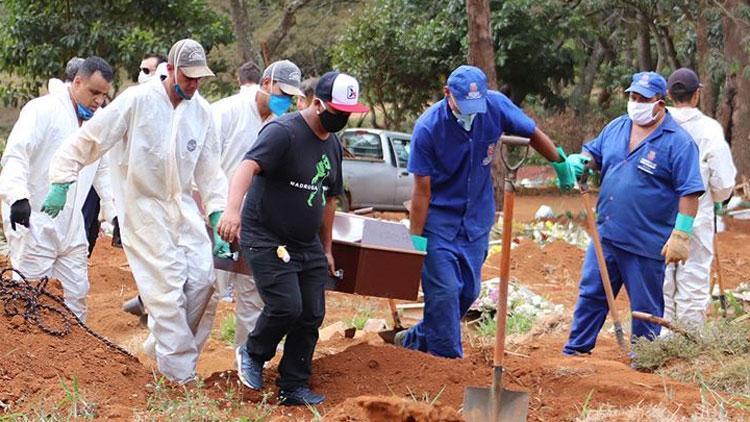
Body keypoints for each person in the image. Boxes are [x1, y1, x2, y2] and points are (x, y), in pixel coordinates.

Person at [45, 39, 231, 383]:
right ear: (171, 70)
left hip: (182, 208)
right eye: (188, 77)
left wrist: (217, 214)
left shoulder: (201, 112)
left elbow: (210, 169)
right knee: (167, 291)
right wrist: (62, 177)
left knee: (206, 282)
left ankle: (163, 347)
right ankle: (178, 377)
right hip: (143, 211)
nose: (194, 84)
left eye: (199, 78)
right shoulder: (137, 101)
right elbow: (91, 139)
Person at [391, 65, 572, 358]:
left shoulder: (495, 105)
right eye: (465, 105)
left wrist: (558, 162)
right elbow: (421, 191)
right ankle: (447, 362)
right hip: (439, 221)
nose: (471, 112)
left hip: (476, 219)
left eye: (477, 105)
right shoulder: (428, 128)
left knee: (468, 292)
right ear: (447, 94)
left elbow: (533, 132)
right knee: (445, 292)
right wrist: (416, 241)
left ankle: (415, 338)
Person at [217, 71, 369, 405]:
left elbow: (329, 199)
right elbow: (246, 167)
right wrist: (232, 211)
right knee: (286, 305)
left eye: (349, 114)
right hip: (265, 234)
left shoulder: (332, 145)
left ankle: (293, 385)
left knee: (312, 313)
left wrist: (326, 248)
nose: (343, 119)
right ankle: (253, 354)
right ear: (317, 104)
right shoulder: (282, 132)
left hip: (305, 242)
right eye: (339, 112)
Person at [562, 71, 705, 356]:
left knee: (644, 308)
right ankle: (576, 352)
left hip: (646, 242)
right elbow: (594, 153)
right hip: (607, 234)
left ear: (660, 103)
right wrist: (582, 162)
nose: (635, 103)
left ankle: (645, 361)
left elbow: (689, 191)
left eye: (643, 99)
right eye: (632, 96)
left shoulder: (678, 142)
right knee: (592, 294)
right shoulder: (617, 127)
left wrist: (682, 233)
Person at [196, 59, 305, 351]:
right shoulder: (226, 112)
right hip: (215, 216)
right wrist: (209, 213)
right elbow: (201, 167)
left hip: (256, 225)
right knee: (205, 291)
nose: (285, 101)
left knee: (253, 295)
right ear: (266, 82)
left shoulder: (281, 126)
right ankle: (178, 366)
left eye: (291, 97)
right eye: (281, 92)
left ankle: (247, 364)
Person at [0, 56, 116, 321]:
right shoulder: (42, 110)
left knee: (75, 296)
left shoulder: (96, 124)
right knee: (29, 295)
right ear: (77, 82)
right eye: (94, 92)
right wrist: (18, 197)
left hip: (72, 225)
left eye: (103, 95)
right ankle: (26, 358)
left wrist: (114, 213)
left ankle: (74, 359)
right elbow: (16, 155)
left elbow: (103, 170)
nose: (99, 101)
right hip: (35, 221)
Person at [662, 68, 736, 331]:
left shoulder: (656, 124)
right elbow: (724, 181)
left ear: (669, 95)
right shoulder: (709, 129)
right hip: (696, 214)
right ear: (697, 95)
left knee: (661, 280)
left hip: (657, 214)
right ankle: (688, 343)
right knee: (692, 279)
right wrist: (718, 198)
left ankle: (660, 338)